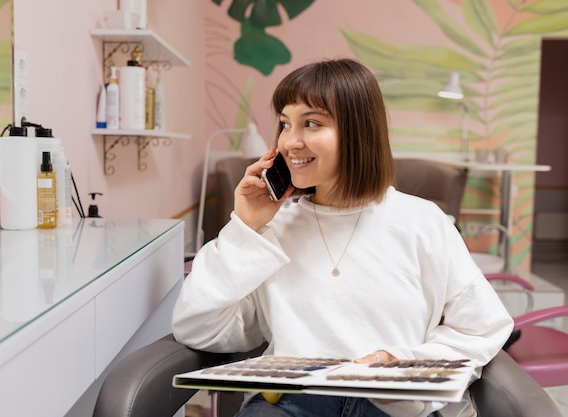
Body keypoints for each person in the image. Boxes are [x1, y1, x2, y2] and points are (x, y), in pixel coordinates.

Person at [172, 58, 513, 417]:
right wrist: (244, 228)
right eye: (285, 124)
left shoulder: (424, 222)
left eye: (312, 123)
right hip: (289, 404)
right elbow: (197, 327)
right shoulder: (274, 228)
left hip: (391, 406)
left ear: (358, 131)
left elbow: (482, 327)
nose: (290, 141)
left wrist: (399, 360)